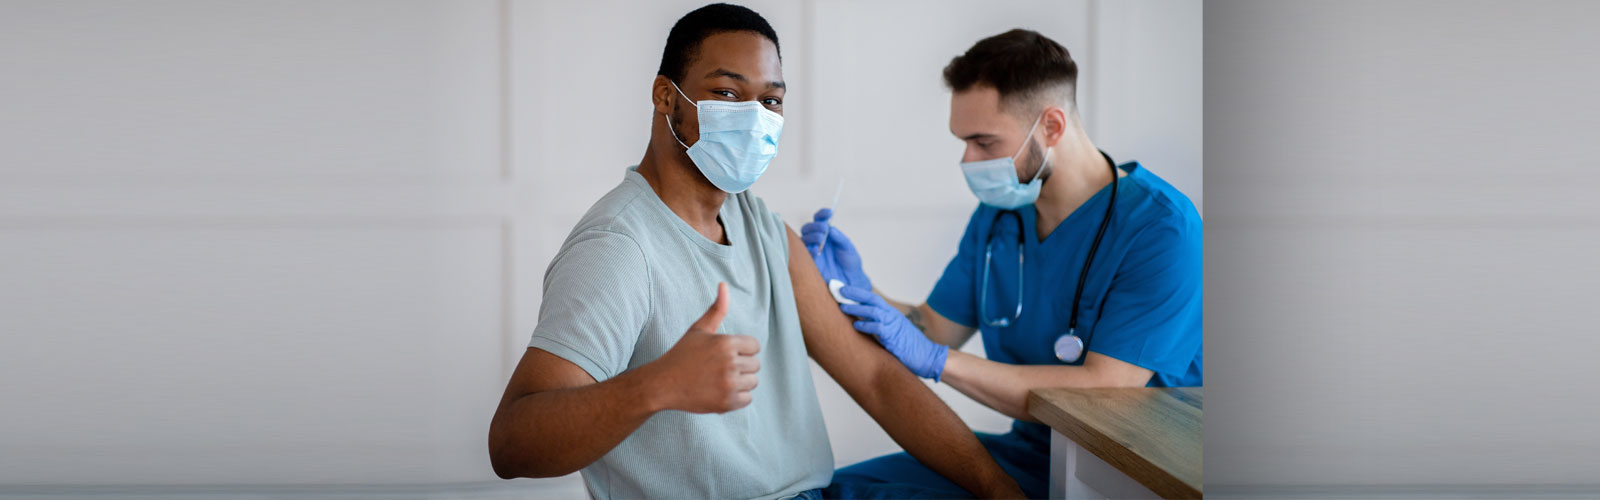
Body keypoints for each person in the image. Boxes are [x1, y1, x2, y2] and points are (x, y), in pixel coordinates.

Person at [486, 4, 1025, 499]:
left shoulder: (765, 230)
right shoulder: (619, 249)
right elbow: (511, 445)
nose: (754, 116)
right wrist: (655, 386)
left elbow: (877, 380)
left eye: (770, 101)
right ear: (665, 96)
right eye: (726, 93)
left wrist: (1000, 491)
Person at [806, 29, 1204, 498]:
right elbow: (931, 327)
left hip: (1123, 469)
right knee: (830, 491)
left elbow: (1105, 390)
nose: (968, 160)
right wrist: (855, 291)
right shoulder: (1001, 216)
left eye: (984, 142)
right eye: (963, 142)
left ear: (1052, 127)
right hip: (1032, 453)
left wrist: (938, 363)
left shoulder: (1160, 227)